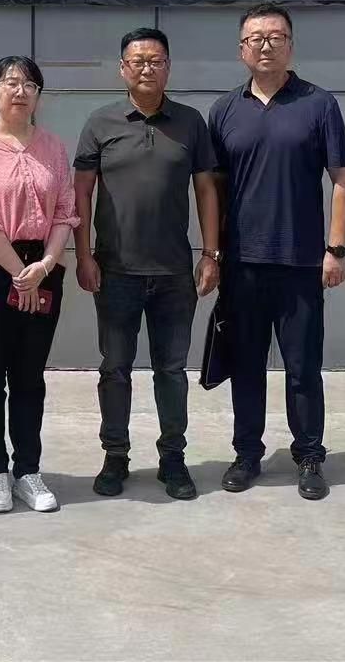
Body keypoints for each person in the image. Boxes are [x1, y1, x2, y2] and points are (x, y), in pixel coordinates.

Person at [209, 3, 345, 501]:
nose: (265, 45)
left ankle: (309, 455)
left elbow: (343, 179)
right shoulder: (224, 110)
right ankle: (247, 453)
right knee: (245, 366)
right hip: (243, 263)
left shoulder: (319, 103)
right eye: (256, 38)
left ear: (290, 45)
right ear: (241, 49)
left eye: (276, 36)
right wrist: (213, 253)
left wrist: (336, 248)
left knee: (302, 368)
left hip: (301, 262)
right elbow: (213, 189)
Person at [74, 28, 222, 502]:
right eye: (137, 61)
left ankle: (172, 458)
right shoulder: (100, 123)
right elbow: (81, 194)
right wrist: (83, 255)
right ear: (123, 69)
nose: (146, 68)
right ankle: (115, 456)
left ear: (168, 68)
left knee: (172, 371)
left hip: (174, 273)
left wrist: (210, 254)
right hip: (115, 271)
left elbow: (206, 190)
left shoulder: (190, 123)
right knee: (114, 369)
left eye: (156, 61)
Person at [0, 56, 79, 514]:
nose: (20, 91)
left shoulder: (53, 147)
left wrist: (44, 265)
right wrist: (17, 272)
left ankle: (28, 469)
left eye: (30, 84)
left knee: (29, 376)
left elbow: (65, 211)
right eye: (10, 83)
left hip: (43, 270)